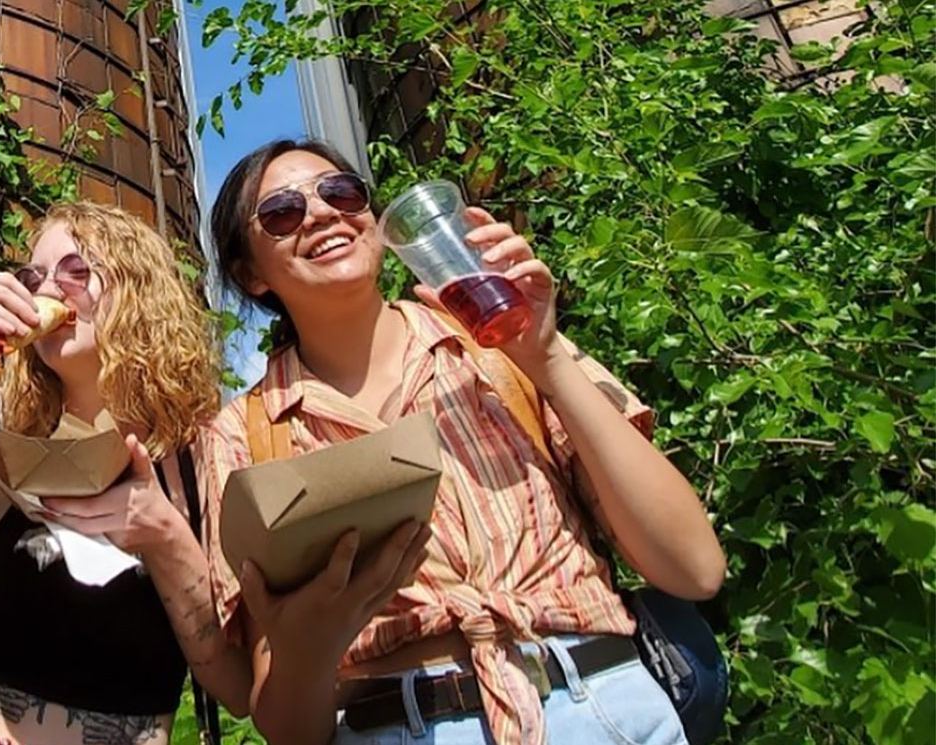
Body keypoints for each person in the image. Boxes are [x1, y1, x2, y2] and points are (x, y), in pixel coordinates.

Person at [198, 140, 726, 745]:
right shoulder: (246, 434)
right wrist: (308, 648)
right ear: (251, 274)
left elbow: (694, 568)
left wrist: (547, 358)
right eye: (283, 212)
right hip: (399, 726)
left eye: (341, 192)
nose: (321, 213)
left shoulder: (499, 348)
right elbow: (289, 730)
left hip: (605, 707)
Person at [0, 201, 256, 745]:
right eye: (34, 277)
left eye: (76, 270)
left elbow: (239, 688)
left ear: (137, 290)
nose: (48, 289)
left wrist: (167, 539)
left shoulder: (203, 457)